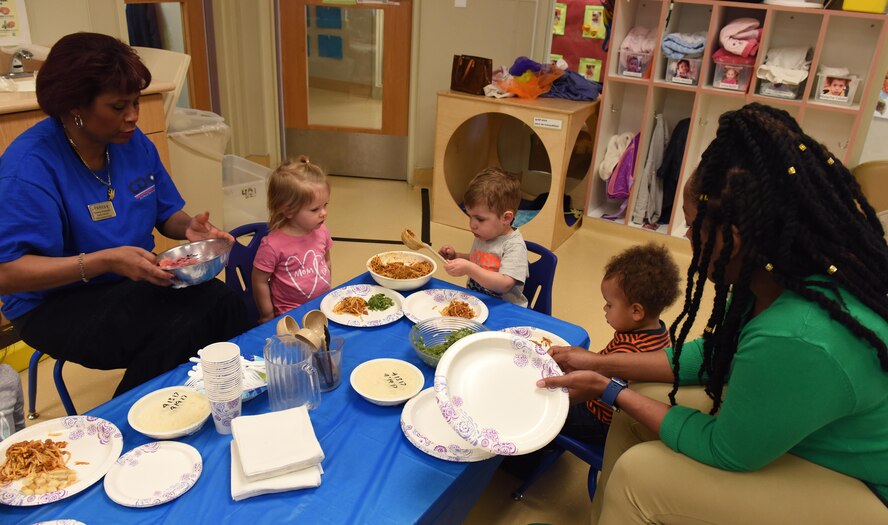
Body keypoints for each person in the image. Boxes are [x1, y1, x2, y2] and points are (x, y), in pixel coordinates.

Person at [538, 103, 888, 523]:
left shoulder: (798, 334)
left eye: (691, 224)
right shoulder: (774, 277)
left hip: (867, 490)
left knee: (640, 477)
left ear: (733, 239)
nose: (686, 237)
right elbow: (714, 354)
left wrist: (610, 390)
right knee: (640, 404)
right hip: (811, 429)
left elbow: (727, 450)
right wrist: (602, 362)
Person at [0, 33, 250, 397]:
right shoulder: (29, 169)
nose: (133, 116)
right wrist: (103, 262)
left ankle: (230, 401)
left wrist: (191, 229)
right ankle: (128, 429)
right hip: (52, 304)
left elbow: (166, 213)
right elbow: (7, 273)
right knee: (184, 323)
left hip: (128, 282)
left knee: (224, 303)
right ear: (74, 106)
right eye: (118, 107)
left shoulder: (130, 143)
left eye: (135, 102)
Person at [562, 243, 680, 445]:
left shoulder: (629, 350)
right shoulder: (657, 330)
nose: (604, 308)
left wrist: (554, 399)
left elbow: (589, 389)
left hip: (597, 420)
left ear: (636, 311)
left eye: (610, 304)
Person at [252, 156, 333, 323]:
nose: (323, 212)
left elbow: (327, 261)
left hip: (321, 307)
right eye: (314, 209)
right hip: (290, 316)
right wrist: (267, 314)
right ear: (288, 211)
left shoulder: (321, 230)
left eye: (325, 205)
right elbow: (259, 280)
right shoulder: (273, 245)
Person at [438, 168, 529, 307]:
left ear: (506, 218)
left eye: (480, 219)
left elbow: (505, 284)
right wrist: (457, 256)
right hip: (477, 303)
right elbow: (480, 260)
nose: (472, 225)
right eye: (470, 216)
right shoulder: (484, 234)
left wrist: (470, 269)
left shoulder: (514, 246)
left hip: (504, 309)